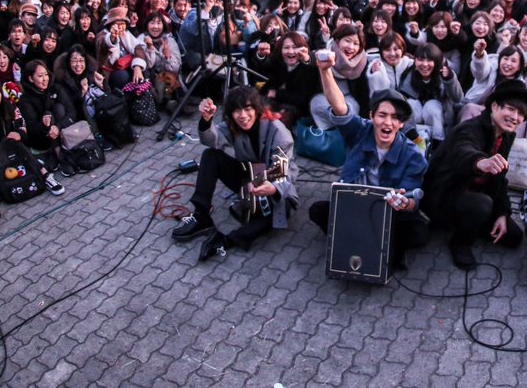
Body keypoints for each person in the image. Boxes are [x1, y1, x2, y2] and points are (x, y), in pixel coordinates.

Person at [307, 50, 429, 269]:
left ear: (401, 124)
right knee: (317, 210)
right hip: (354, 205)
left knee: (419, 232)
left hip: (387, 213)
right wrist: (325, 70)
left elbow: (413, 201)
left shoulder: (413, 155)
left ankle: (373, 241)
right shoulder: (359, 130)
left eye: (394, 118)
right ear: (371, 116)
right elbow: (339, 106)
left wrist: (404, 202)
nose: (388, 123)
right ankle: (354, 237)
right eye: (382, 115)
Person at [171, 86, 297, 260]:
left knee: (278, 215)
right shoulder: (233, 125)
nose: (243, 116)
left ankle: (226, 241)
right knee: (210, 156)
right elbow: (212, 140)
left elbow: (285, 171)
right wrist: (207, 120)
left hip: (274, 181)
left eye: (247, 109)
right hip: (250, 176)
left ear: (257, 109)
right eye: (237, 111)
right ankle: (201, 217)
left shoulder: (278, 131)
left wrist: (273, 188)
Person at [421, 80, 527, 269]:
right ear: (495, 106)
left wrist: (502, 213)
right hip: (442, 197)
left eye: (521, 113)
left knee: (514, 236)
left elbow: (500, 179)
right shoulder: (470, 128)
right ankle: (460, 242)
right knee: (482, 205)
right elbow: (463, 151)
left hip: (473, 196)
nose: (515, 117)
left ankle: (468, 222)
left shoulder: (506, 135)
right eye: (511, 109)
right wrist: (481, 162)